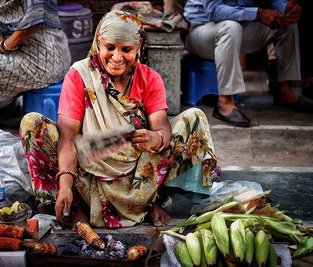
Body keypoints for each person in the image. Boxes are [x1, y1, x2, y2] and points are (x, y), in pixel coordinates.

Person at [20, 10, 217, 229]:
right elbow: (68, 137)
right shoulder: (80, 75)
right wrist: (65, 184)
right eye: (110, 47)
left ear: (138, 48)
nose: (117, 57)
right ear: (98, 44)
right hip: (89, 166)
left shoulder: (149, 78)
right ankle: (74, 205)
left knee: (194, 118)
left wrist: (157, 138)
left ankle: (152, 202)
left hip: (139, 171)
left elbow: (162, 125)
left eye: (126, 50)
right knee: (32, 125)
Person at [183, 0, 312, 127]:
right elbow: (215, 11)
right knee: (231, 27)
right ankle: (225, 101)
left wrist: (286, 9)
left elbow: (271, 2)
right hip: (201, 31)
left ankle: (284, 90)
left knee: (286, 24)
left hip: (237, 30)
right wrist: (258, 13)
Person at [0, 0, 71, 139]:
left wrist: (3, 46)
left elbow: (34, 18)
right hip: (37, 56)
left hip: (41, 61)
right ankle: (4, 110)